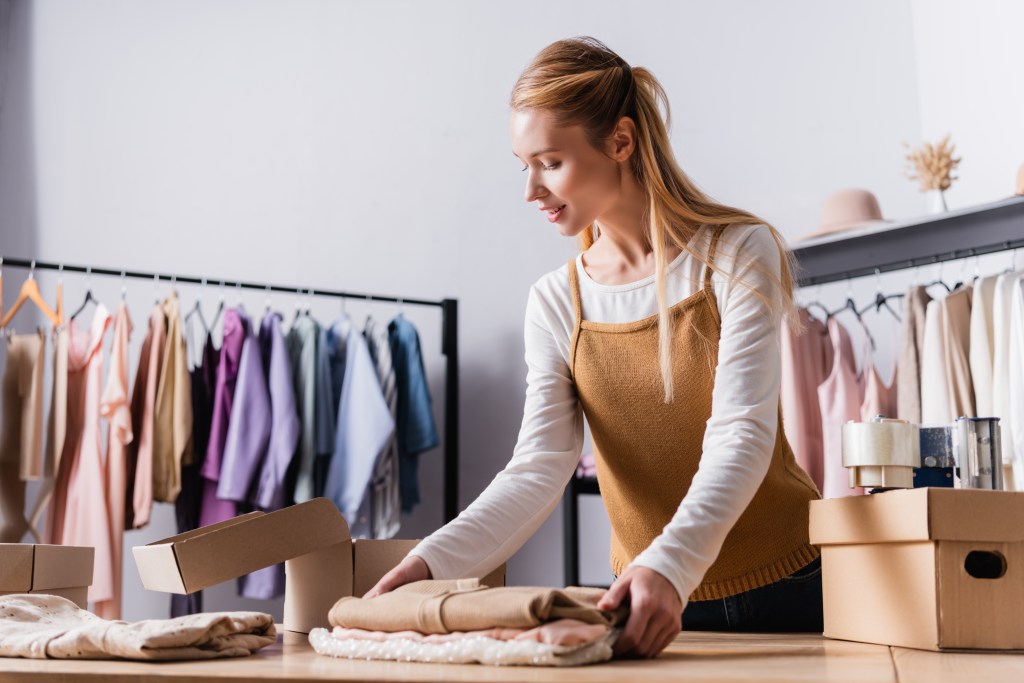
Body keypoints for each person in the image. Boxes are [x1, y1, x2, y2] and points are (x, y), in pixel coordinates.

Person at [367, 36, 822, 659]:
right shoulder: (556, 302)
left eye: (549, 162)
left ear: (621, 142)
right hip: (641, 599)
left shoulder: (737, 254)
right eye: (523, 164)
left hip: (788, 585)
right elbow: (539, 467)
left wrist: (668, 566)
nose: (531, 189)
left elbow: (741, 434)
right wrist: (427, 565)